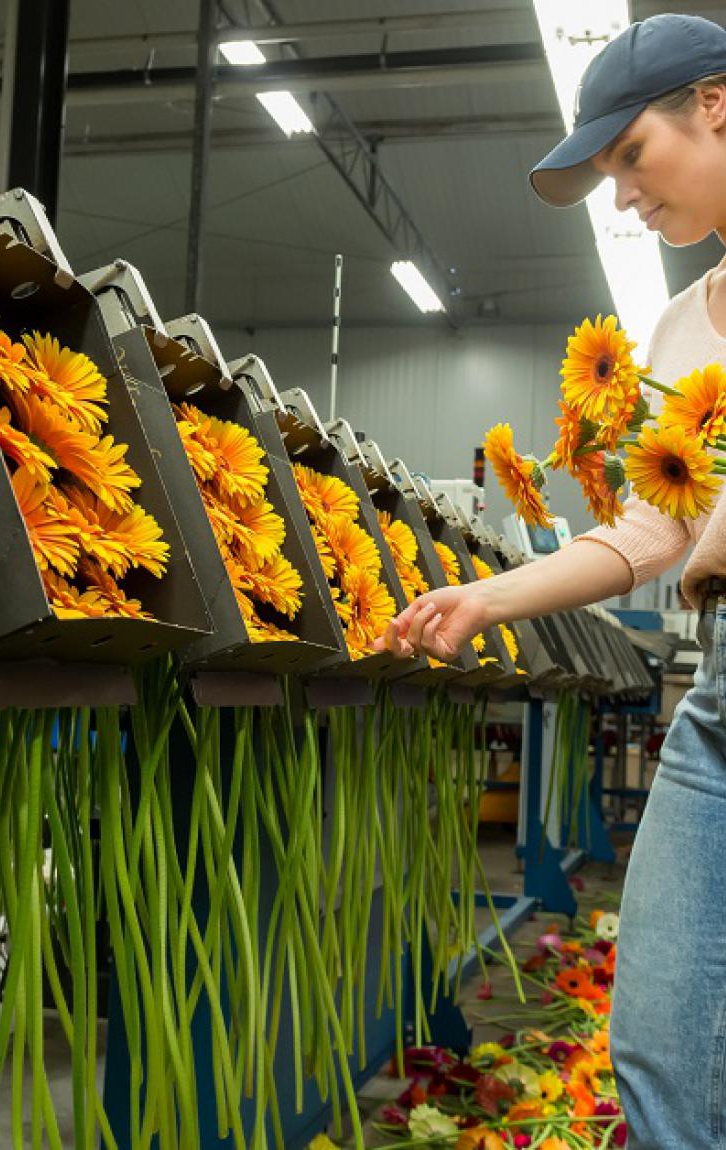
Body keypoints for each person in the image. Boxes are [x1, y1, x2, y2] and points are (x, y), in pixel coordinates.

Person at [376, 13, 726, 1148]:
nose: (623, 199)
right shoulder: (680, 327)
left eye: (628, 157)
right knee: (661, 1033)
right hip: (717, 698)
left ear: (713, 105)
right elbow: (645, 533)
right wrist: (488, 594)